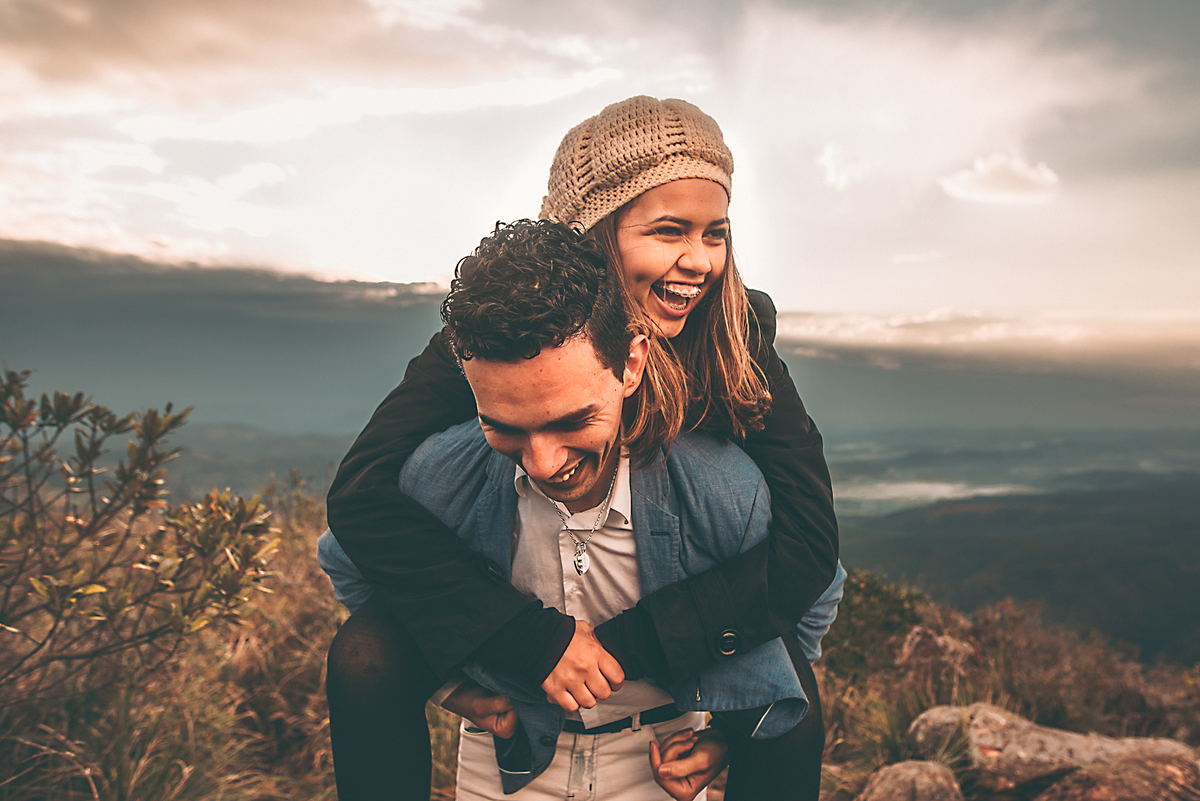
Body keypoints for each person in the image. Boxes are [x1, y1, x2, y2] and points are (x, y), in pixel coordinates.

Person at [324, 96, 840, 799]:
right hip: (529, 584)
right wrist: (511, 640)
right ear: (594, 232)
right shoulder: (506, 338)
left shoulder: (734, 336)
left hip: (674, 594)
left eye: (713, 232)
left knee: (795, 707)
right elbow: (362, 494)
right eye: (666, 231)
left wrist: (637, 651)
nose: (697, 260)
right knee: (364, 657)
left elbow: (809, 543)